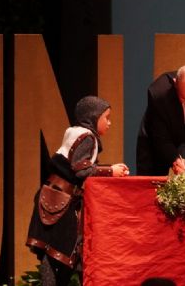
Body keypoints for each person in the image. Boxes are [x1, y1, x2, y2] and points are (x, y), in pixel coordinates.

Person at [26, 96, 129, 286]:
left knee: (58, 255)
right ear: (93, 117)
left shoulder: (75, 132)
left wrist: (109, 169)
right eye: (106, 118)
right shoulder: (88, 137)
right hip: (61, 199)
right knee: (58, 255)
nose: (109, 123)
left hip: (54, 194)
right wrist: (110, 171)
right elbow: (81, 170)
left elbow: (77, 166)